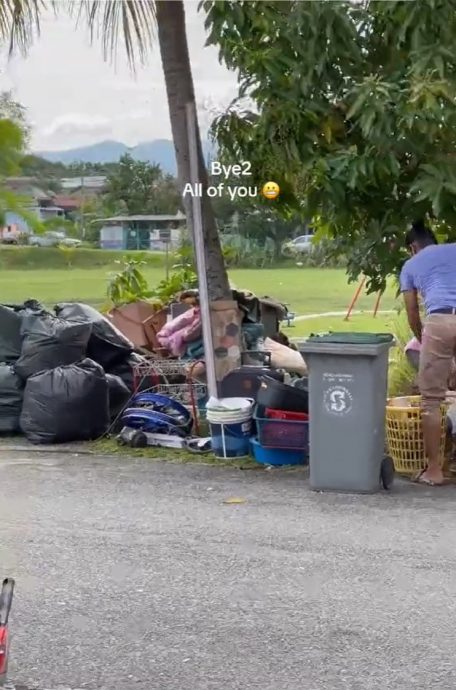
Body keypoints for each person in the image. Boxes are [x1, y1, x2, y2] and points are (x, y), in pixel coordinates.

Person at [400, 220, 456, 485]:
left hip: (440, 321)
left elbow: (412, 311)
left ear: (413, 247)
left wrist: (423, 337)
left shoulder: (411, 265)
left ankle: (434, 470)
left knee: (431, 402)